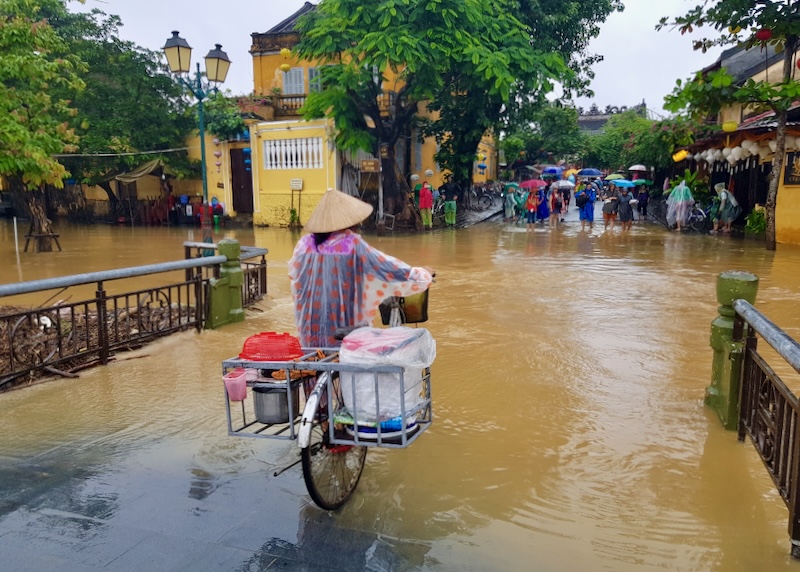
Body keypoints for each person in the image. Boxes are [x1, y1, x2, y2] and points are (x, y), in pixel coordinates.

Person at [289, 189, 434, 348]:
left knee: (318, 360)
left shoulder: (303, 246)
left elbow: (295, 280)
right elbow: (389, 269)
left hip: (309, 333)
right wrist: (423, 274)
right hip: (345, 333)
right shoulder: (351, 244)